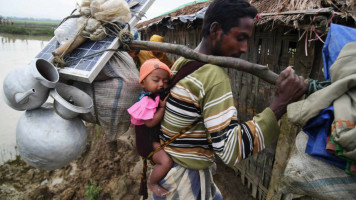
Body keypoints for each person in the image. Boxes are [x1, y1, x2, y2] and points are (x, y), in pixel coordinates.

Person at [157, 0, 309, 199]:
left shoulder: (184, 61)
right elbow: (231, 150)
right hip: (187, 182)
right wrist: (280, 104)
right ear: (216, 30)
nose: (245, 48)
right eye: (240, 38)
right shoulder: (212, 76)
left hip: (167, 170)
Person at [127, 58, 173, 197]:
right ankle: (152, 183)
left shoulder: (155, 96)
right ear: (142, 83)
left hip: (152, 139)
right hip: (146, 143)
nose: (161, 84)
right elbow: (150, 123)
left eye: (165, 81)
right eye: (156, 80)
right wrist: (163, 108)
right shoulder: (146, 101)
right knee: (166, 161)